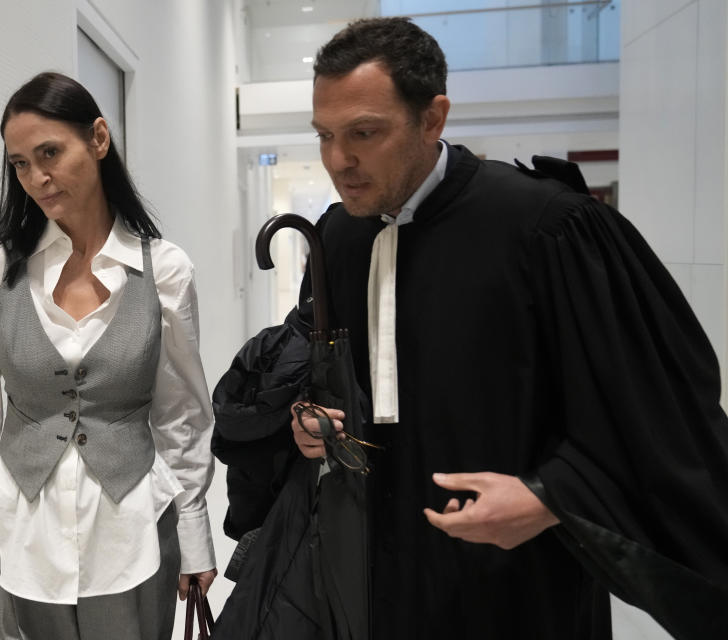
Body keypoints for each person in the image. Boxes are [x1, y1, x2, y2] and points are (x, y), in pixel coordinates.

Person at [281, 17, 728, 640]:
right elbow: (321, 372)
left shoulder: (546, 226)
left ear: (432, 118)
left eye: (364, 133)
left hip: (516, 584)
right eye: (325, 135)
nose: (338, 160)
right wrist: (313, 418)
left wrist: (552, 496)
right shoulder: (338, 235)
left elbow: (656, 409)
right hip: (372, 578)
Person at [0, 71, 216, 640]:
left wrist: (193, 533)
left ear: (98, 138)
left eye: (49, 153)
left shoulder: (165, 271)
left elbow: (181, 412)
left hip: (132, 528)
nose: (36, 178)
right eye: (19, 163)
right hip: (18, 527)